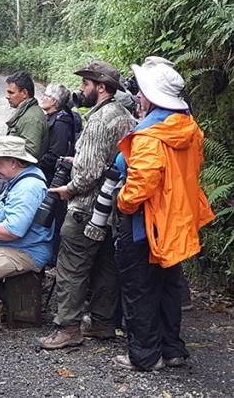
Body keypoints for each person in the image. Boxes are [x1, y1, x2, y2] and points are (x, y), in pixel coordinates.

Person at [113, 63, 214, 371]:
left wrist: (123, 204)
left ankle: (145, 356)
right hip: (177, 221)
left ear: (152, 97)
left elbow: (143, 183)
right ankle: (172, 349)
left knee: (139, 287)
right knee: (169, 286)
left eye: (143, 90)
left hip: (147, 224)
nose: (139, 94)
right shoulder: (189, 128)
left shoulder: (149, 136)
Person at [36, 61, 136, 349]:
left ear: (100, 87)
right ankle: (104, 324)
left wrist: (69, 188)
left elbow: (90, 171)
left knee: (71, 268)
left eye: (85, 84)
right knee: (105, 266)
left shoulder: (98, 120)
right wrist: (77, 161)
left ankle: (68, 328)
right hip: (112, 208)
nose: (81, 89)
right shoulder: (125, 116)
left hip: (86, 209)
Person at [0, 136, 53, 336]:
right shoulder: (18, 180)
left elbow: (14, 230)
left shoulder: (28, 188)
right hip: (17, 247)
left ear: (13, 162)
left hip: (27, 251)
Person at [38, 83, 76, 267]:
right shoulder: (53, 118)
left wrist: (35, 161)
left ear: (54, 101)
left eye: (45, 95)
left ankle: (52, 260)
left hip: (54, 178)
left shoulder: (60, 123)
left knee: (52, 217)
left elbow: (56, 155)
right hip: (50, 176)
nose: (42, 97)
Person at [5, 71, 48, 160]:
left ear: (24, 93)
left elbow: (30, 152)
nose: (7, 96)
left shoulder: (32, 118)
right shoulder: (25, 112)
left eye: (11, 93)